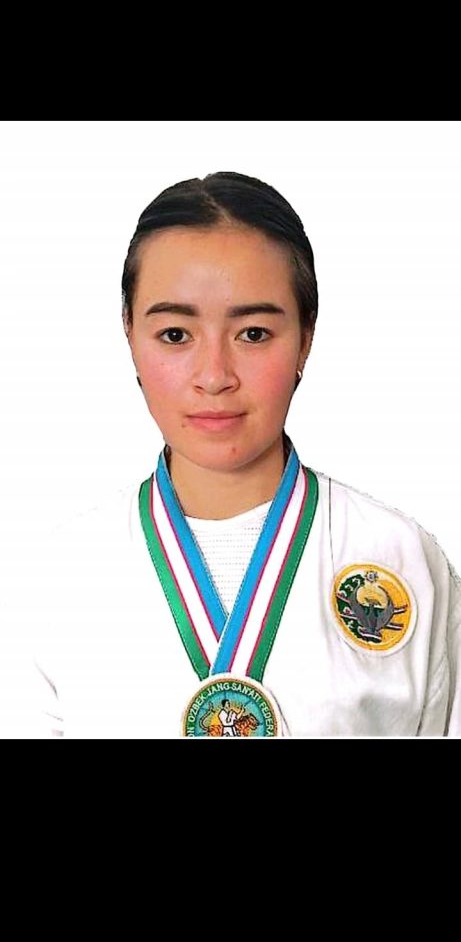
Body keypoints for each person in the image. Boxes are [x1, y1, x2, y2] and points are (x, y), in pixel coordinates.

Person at [1, 170, 460, 738]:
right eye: (175, 334)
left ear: (305, 340)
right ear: (129, 336)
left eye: (254, 334)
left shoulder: (402, 559)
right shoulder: (59, 577)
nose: (214, 376)